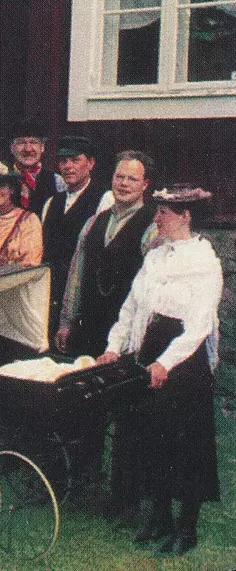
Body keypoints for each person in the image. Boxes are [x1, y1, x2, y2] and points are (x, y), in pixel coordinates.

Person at [98, 184, 222, 557]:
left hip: (184, 361)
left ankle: (187, 528)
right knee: (151, 439)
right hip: (149, 350)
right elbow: (132, 307)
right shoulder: (155, 257)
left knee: (185, 444)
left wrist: (165, 363)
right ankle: (161, 518)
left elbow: (200, 324)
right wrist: (113, 346)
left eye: (163, 213)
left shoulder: (205, 262)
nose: (156, 218)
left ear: (185, 216)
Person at [58, 151, 157, 357]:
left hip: (127, 335)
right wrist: (66, 323)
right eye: (119, 177)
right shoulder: (93, 222)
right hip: (89, 330)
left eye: (132, 179)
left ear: (145, 185)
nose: (124, 184)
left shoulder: (152, 226)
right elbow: (76, 276)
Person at [42, 135, 106, 344]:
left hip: (83, 293)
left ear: (91, 163)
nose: (68, 167)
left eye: (75, 160)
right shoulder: (52, 203)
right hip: (52, 293)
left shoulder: (104, 199)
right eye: (63, 161)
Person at [10, 121, 62, 213]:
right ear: (12, 148)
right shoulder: (1, 182)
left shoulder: (57, 181)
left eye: (33, 142)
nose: (28, 149)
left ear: (42, 147)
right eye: (21, 143)